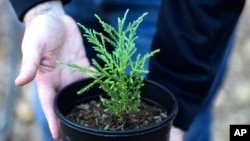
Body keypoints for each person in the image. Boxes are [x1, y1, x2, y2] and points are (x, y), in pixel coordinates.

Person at [9, 0, 246, 141]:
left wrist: (178, 85)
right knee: (56, 111)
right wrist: (39, 7)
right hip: (62, 5)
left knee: (184, 121)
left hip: (172, 8)